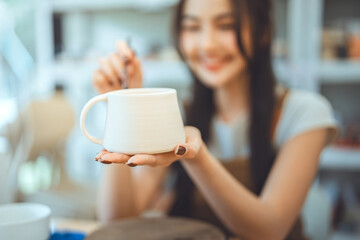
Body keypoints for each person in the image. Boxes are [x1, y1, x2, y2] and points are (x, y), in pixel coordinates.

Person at [92, 0, 338, 239]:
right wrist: (122, 106)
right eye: (192, 27)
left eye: (226, 25)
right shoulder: (176, 112)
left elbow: (269, 230)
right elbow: (119, 222)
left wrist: (195, 157)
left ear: (263, 31)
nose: (207, 44)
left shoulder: (304, 113)